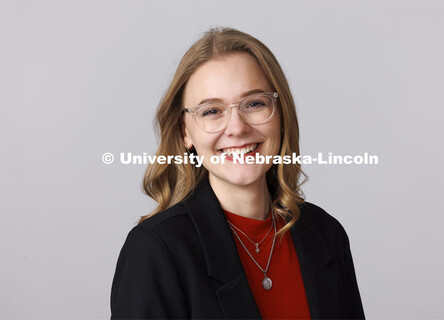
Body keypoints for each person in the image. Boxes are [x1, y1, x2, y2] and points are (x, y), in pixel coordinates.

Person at [110, 27, 365, 319]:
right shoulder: (156, 249)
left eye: (254, 104)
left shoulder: (325, 233)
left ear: (281, 115)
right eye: (211, 111)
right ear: (185, 133)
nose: (237, 128)